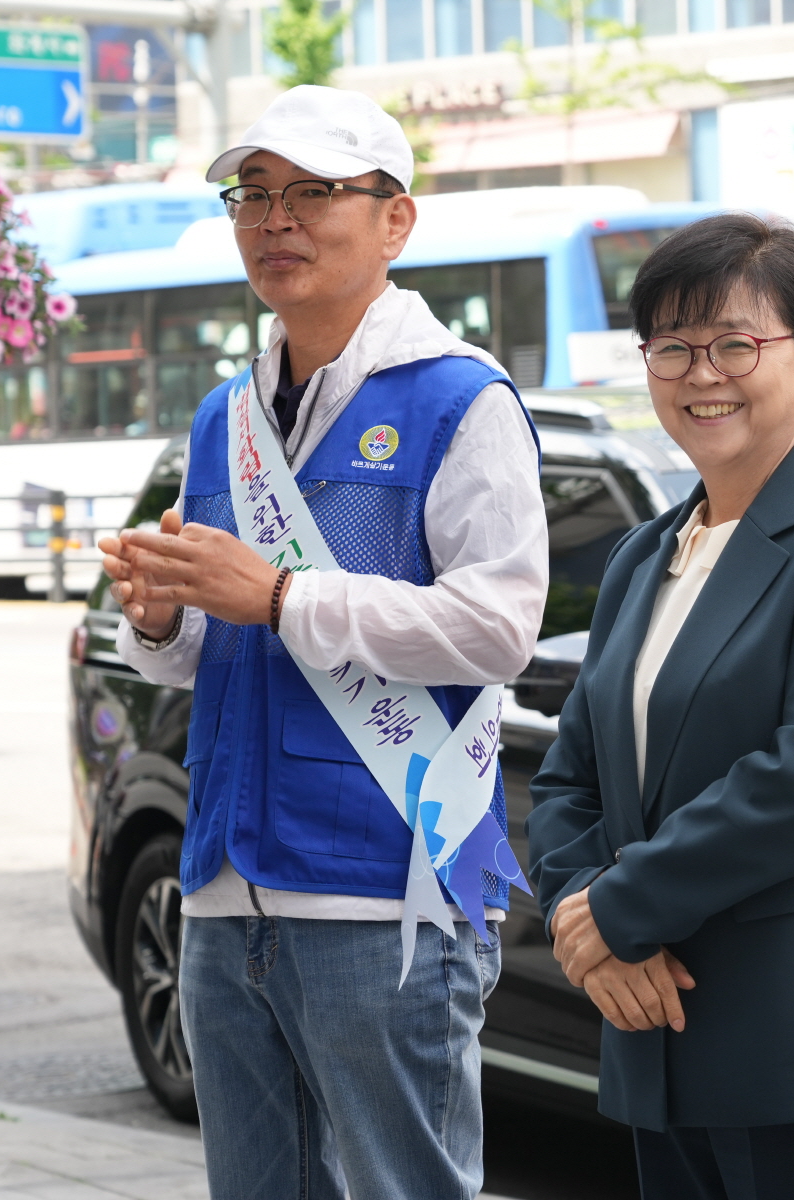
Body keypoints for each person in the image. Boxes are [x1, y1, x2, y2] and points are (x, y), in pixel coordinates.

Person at [96, 85, 548, 1200]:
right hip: (223, 883)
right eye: (252, 194)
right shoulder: (226, 417)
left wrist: (286, 597)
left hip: (382, 896)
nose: (274, 219)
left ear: (396, 220)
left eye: (311, 192)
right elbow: (211, 647)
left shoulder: (462, 400)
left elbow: (498, 630)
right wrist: (160, 619)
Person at [524, 212, 794, 1199]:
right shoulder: (646, 556)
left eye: (734, 344)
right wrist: (580, 917)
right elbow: (570, 775)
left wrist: (622, 909)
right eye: (671, 346)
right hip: (658, 1033)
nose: (700, 373)